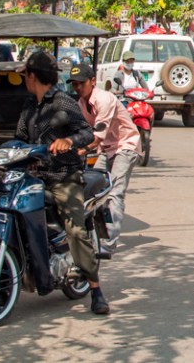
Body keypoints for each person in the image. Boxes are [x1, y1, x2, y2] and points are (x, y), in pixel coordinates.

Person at [13, 51, 108, 315]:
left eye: (25, 75)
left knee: (76, 231)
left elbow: (86, 131)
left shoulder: (63, 101)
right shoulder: (29, 105)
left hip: (63, 177)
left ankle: (96, 290)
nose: (24, 80)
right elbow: (20, 136)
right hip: (33, 178)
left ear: (33, 76)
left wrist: (69, 141)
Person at [69, 64, 142, 253]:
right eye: (74, 84)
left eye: (81, 83)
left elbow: (97, 134)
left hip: (125, 146)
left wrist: (80, 150)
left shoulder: (104, 99)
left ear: (93, 81)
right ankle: (93, 234)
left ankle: (108, 243)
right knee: (93, 190)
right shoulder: (81, 104)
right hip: (105, 149)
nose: (78, 88)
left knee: (114, 193)